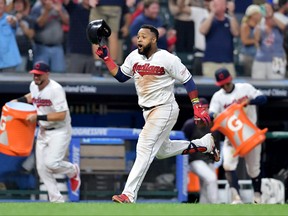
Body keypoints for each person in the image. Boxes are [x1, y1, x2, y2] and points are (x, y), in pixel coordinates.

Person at [93, 24, 220, 203]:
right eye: (138, 36)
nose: (139, 39)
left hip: (164, 108)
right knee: (161, 151)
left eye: (143, 36)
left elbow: (188, 80)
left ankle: (128, 195)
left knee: (144, 147)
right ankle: (204, 144)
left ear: (153, 39)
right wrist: (107, 58)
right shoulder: (133, 56)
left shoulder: (167, 58)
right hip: (148, 111)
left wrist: (197, 106)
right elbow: (121, 76)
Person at [12, 61, 80, 203]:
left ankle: (73, 170)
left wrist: (38, 117)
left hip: (59, 130)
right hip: (43, 130)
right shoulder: (34, 85)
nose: (36, 77)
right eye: (34, 74)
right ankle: (57, 200)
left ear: (47, 74)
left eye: (39, 74)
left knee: (51, 164)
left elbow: (62, 115)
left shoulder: (56, 89)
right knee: (41, 168)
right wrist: (18, 101)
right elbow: (33, 96)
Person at [209, 67, 268, 204]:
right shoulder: (218, 96)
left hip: (250, 135)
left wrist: (249, 102)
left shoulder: (245, 88)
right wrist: (215, 115)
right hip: (232, 138)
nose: (225, 86)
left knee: (253, 169)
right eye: (222, 84)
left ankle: (257, 197)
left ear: (231, 79)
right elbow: (211, 112)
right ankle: (236, 198)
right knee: (228, 165)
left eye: (227, 83)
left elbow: (263, 99)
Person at [181, 97, 219, 204]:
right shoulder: (190, 124)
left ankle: (203, 208)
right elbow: (182, 140)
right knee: (211, 179)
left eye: (205, 109)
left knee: (206, 185)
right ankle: (215, 205)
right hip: (194, 160)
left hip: (209, 160)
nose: (203, 111)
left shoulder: (213, 123)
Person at [199, 0, 239, 77]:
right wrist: (212, 12)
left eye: (221, 4)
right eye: (216, 4)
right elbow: (202, 30)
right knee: (210, 87)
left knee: (231, 87)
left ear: (225, 6)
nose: (218, 6)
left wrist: (231, 13)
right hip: (211, 62)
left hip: (228, 62)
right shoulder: (209, 20)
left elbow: (236, 32)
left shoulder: (229, 20)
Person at [30, 0, 69, 73]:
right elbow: (39, 24)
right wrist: (47, 11)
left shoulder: (59, 7)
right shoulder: (37, 9)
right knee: (41, 73)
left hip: (57, 47)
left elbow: (67, 22)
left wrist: (60, 11)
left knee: (59, 74)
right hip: (41, 47)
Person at [252, 2, 287, 79]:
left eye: (268, 9)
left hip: (277, 60)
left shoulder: (278, 20)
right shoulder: (260, 23)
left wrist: (271, 15)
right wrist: (261, 25)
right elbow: (256, 41)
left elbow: (285, 28)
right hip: (261, 59)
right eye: (265, 9)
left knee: (277, 86)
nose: (266, 11)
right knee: (258, 86)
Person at [9, 0, 35, 72]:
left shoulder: (29, 19)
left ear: (24, 5)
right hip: (9, 53)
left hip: (23, 52)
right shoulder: (8, 18)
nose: (18, 5)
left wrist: (19, 22)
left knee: (20, 74)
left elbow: (31, 35)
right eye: (16, 3)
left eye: (20, 3)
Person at [239, 4, 262, 77]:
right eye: (258, 14)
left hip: (257, 55)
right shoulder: (245, 26)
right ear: (253, 15)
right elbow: (244, 41)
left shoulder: (258, 26)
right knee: (249, 76)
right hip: (248, 56)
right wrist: (255, 41)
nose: (260, 15)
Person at [0, 0, 21, 72]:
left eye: (1, 3)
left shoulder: (9, 18)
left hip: (9, 62)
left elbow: (14, 22)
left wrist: (13, 21)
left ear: (5, 6)